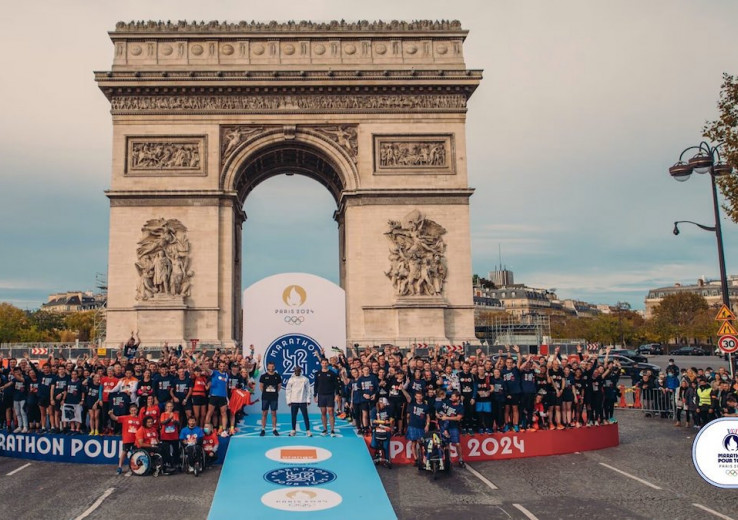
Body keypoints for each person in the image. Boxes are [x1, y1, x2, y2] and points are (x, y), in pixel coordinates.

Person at [109, 403, 141, 474]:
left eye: (135, 410)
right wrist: (111, 413)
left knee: (135, 453)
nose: (133, 411)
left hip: (136, 440)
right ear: (129, 411)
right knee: (124, 452)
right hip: (127, 439)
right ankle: (120, 467)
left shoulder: (139, 419)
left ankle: (133, 467)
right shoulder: (125, 417)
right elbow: (115, 418)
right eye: (132, 410)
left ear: (137, 410)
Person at [438, 390, 464, 467]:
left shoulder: (460, 407)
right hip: (445, 426)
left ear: (458, 398)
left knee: (457, 444)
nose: (452, 397)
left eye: (453, 396)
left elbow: (458, 418)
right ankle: (448, 460)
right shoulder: (448, 402)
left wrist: (447, 418)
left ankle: (460, 460)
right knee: (446, 444)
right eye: (451, 396)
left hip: (454, 427)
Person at [314, 358, 339, 436]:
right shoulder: (317, 373)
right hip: (321, 395)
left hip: (330, 395)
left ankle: (332, 430)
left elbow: (336, 385)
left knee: (331, 411)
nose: (324, 364)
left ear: (328, 364)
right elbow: (316, 385)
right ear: (321, 364)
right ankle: (325, 429)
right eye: (323, 363)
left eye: (325, 363)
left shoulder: (332, 373)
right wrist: (315, 395)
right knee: (323, 412)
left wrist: (337, 395)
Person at [286, 366, 313, 437]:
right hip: (294, 401)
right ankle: (293, 430)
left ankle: (308, 430)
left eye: (298, 370)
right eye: (296, 370)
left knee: (305, 416)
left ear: (300, 371)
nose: (297, 372)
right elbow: (288, 390)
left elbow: (308, 390)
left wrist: (308, 399)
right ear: (294, 371)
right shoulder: (291, 380)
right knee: (293, 416)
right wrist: (289, 401)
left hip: (303, 401)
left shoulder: (305, 379)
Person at [204, 360, 229, 436]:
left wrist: (227, 397)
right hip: (214, 396)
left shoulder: (227, 375)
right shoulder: (214, 372)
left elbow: (225, 386)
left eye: (223, 366)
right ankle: (206, 430)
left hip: (223, 396)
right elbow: (206, 369)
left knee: (223, 413)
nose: (222, 367)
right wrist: (202, 360)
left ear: (225, 367)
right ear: (218, 366)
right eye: (221, 366)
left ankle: (224, 430)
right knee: (210, 412)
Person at [405, 390, 430, 463]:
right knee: (414, 442)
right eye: (417, 396)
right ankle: (416, 459)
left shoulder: (425, 406)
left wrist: (427, 425)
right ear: (415, 397)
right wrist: (408, 424)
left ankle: (424, 459)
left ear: (422, 397)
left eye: (420, 396)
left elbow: (428, 417)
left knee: (422, 443)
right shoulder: (412, 404)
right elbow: (408, 416)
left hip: (421, 427)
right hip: (412, 426)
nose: (419, 398)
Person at [259, 362, 282, 436]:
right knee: (264, 413)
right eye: (270, 366)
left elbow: (279, 386)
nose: (271, 367)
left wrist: (274, 393)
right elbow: (261, 386)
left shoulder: (277, 376)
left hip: (274, 398)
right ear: (267, 367)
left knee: (273, 413)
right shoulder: (263, 376)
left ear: (274, 367)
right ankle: (263, 429)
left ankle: (274, 429)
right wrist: (266, 393)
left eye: (272, 366)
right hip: (265, 397)